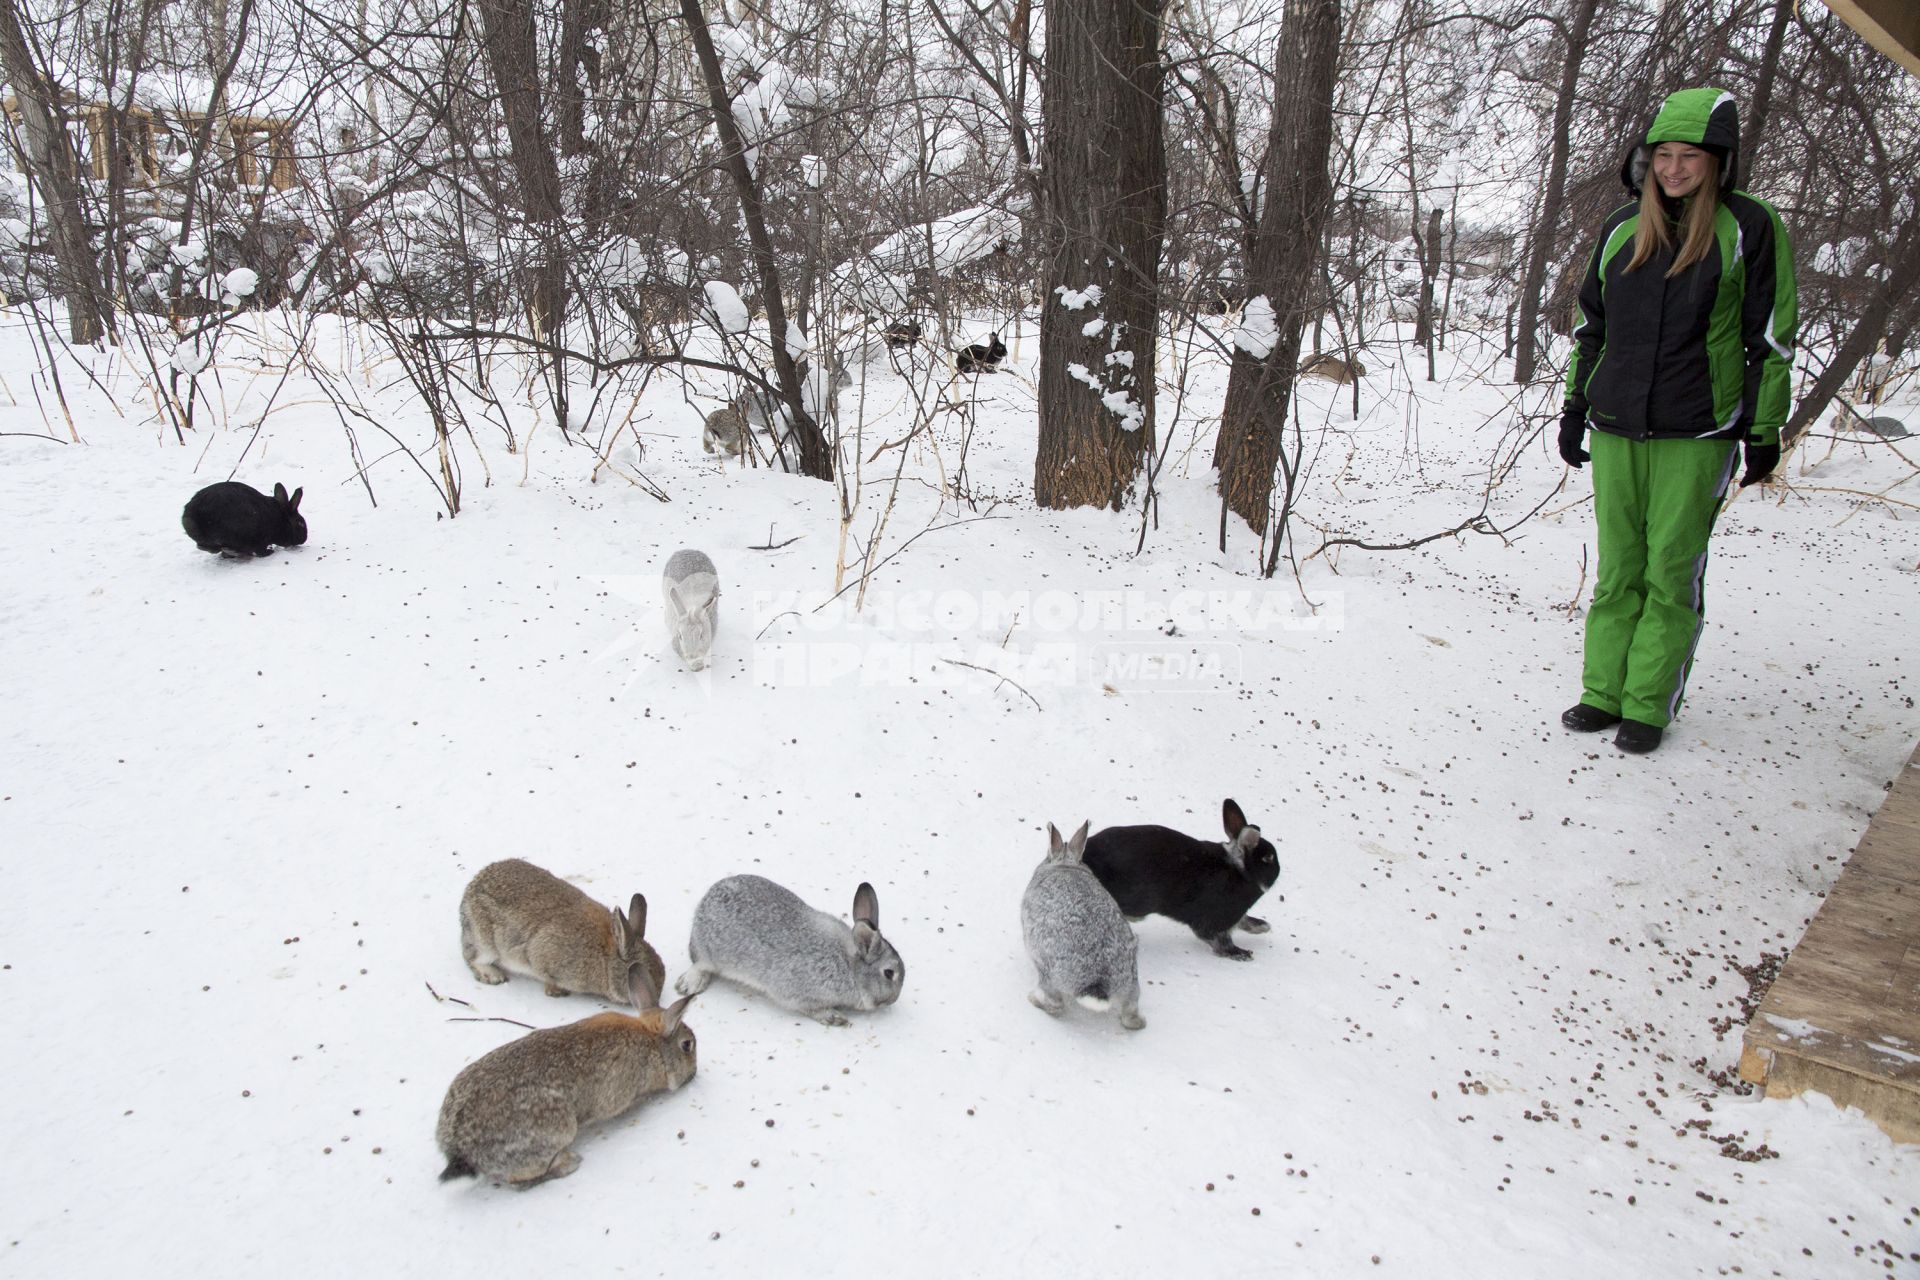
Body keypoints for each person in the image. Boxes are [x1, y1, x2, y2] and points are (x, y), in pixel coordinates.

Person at [1557, 87, 1797, 755]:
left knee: (1671, 569)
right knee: (1618, 568)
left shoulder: (1748, 227)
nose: (1673, 169)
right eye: (1662, 156)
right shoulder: (1621, 228)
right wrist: (1576, 409)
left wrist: (1764, 429)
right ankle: (1602, 693)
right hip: (1616, 425)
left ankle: (1647, 705)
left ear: (1718, 160)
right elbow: (1591, 329)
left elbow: (1770, 339)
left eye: (1689, 157)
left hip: (1699, 429)